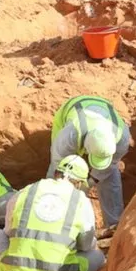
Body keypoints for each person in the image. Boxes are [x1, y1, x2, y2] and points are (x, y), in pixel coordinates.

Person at [0, 154, 104, 271]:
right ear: (80, 183)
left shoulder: (26, 192)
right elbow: (86, 245)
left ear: (56, 174)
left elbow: (8, 232)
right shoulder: (80, 200)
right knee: (97, 257)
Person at [48, 95, 130, 235]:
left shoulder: (122, 138)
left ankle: (114, 226)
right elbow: (58, 165)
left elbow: (110, 166)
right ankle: (52, 217)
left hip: (100, 111)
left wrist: (90, 182)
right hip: (71, 111)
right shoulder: (70, 135)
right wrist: (64, 187)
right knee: (57, 176)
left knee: (110, 175)